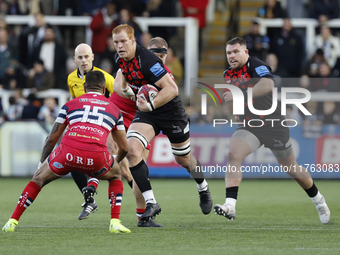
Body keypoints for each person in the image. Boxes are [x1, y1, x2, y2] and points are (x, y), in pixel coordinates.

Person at [213, 37, 331, 224]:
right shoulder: (228, 74)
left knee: (292, 169)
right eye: (229, 53)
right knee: (233, 154)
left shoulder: (256, 64)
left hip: (273, 124)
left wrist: (241, 95)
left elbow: (268, 85)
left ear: (246, 52)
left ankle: (319, 200)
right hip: (250, 124)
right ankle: (230, 205)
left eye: (236, 51)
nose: (232, 56)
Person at [2, 71, 131, 233]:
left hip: (66, 153)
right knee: (115, 175)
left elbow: (51, 139)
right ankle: (115, 222)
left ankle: (12, 221)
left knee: (38, 179)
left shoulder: (70, 105)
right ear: (104, 89)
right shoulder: (114, 110)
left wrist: (41, 164)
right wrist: (115, 161)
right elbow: (124, 147)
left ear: (84, 87)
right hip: (96, 156)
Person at [112, 24, 213, 221]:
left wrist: (150, 104)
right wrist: (130, 94)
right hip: (148, 113)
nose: (119, 46)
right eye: (116, 42)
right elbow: (120, 82)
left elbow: (173, 89)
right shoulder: (122, 59)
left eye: (123, 41)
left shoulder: (149, 62)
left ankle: (203, 187)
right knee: (132, 150)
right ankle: (151, 203)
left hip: (171, 113)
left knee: (183, 160)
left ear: (133, 41)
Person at [68, 43, 138, 221]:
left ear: (92, 57)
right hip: (84, 127)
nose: (83, 61)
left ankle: (146, 203)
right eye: (80, 58)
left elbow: (122, 95)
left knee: (122, 168)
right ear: (75, 60)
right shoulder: (71, 79)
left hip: (106, 127)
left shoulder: (104, 77)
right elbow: (74, 101)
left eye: (86, 57)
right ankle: (89, 200)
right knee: (73, 162)